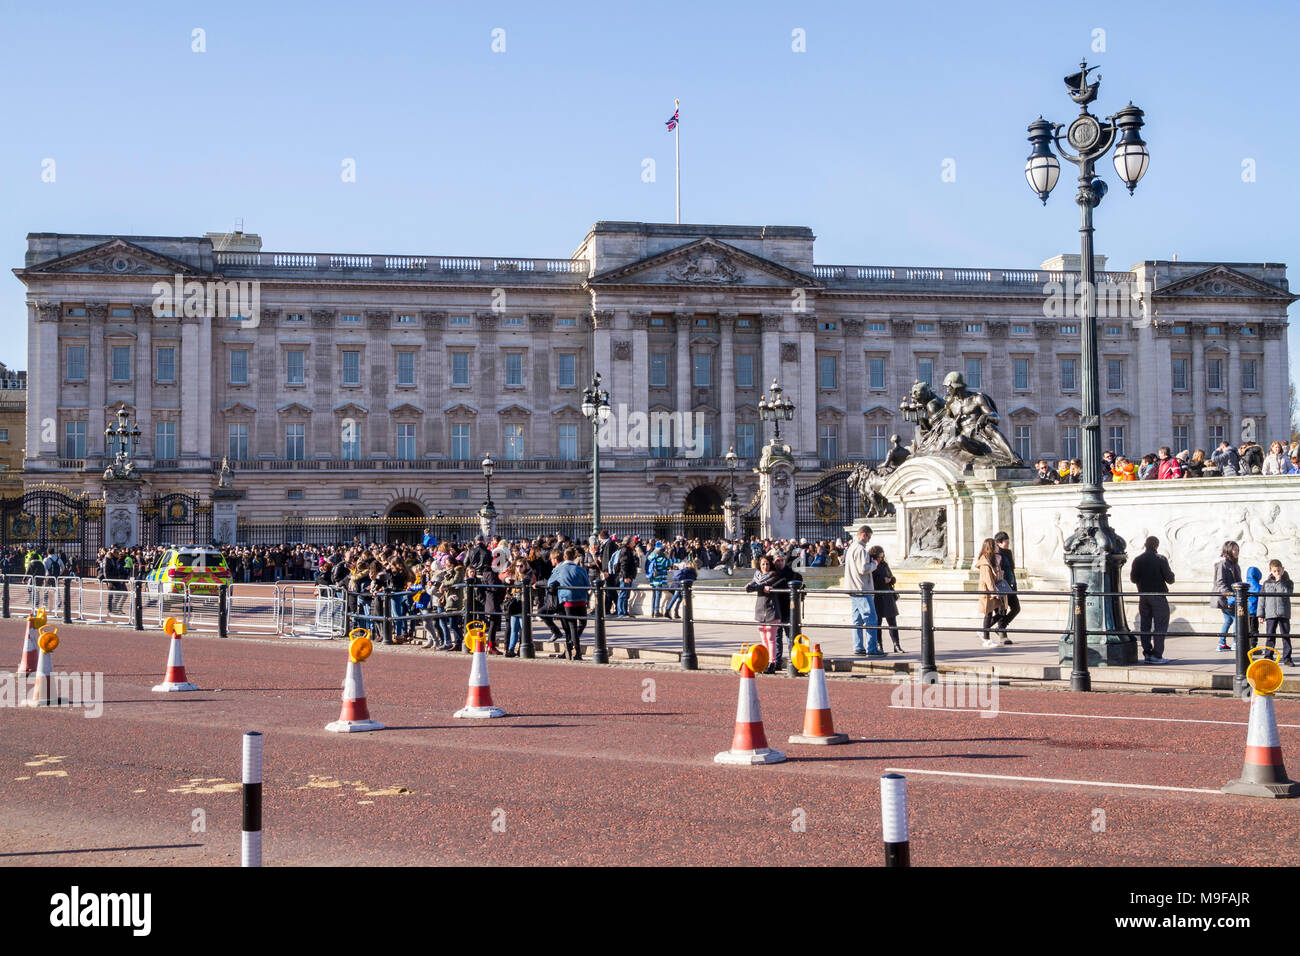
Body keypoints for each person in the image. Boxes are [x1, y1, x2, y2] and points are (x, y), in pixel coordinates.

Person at [1129, 536, 1175, 663]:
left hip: (1143, 596)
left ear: (1145, 545)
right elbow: (1170, 579)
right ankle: (1157, 655)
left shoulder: (1137, 559)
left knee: (1145, 626)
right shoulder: (1160, 559)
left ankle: (1147, 654)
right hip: (1158, 596)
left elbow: (1133, 579)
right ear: (1157, 546)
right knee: (1160, 626)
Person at [546, 547, 590, 660]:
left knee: (572, 626)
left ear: (564, 557)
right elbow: (588, 584)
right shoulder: (580, 569)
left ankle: (576, 651)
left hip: (567, 600)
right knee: (583, 623)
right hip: (581, 599)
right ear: (574, 557)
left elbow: (550, 583)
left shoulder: (559, 569)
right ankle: (572, 646)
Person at [842, 522, 879, 656]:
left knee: (857, 620)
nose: (869, 541)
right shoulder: (860, 549)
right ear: (864, 535)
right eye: (868, 537)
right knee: (871, 619)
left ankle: (858, 647)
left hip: (853, 588)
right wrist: (874, 564)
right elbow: (863, 569)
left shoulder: (852, 547)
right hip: (861, 588)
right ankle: (872, 648)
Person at [746, 554, 783, 673]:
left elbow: (762, 586)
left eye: (767, 564)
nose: (765, 566)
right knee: (764, 638)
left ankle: (772, 662)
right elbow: (754, 585)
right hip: (760, 610)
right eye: (763, 564)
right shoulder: (756, 576)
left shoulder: (774, 575)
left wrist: (755, 587)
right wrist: (751, 586)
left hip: (771, 609)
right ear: (759, 565)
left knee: (771, 638)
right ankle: (766, 660)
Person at [1259, 560, 1293, 666]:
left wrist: (1280, 581)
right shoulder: (1266, 583)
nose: (1277, 572)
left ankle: (1287, 658)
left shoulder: (1288, 582)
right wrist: (1260, 614)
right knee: (1270, 636)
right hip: (1270, 613)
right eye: (1275, 571)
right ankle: (1268, 656)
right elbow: (1262, 599)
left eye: (1279, 570)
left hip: (1283, 613)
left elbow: (1287, 593)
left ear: (1282, 569)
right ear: (1271, 571)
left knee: (1285, 636)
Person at [867, 545, 901, 653]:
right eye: (879, 557)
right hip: (878, 596)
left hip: (888, 595)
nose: (881, 559)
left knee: (892, 621)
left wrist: (890, 580)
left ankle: (896, 645)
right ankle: (879, 645)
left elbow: (892, 577)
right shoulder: (872, 566)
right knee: (878, 623)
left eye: (882, 557)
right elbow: (872, 581)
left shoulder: (884, 564)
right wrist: (883, 580)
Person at [975, 538, 1008, 648]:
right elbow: (987, 580)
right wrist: (994, 592)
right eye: (995, 545)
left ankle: (984, 632)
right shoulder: (985, 562)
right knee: (988, 614)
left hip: (994, 590)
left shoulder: (993, 560)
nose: (997, 547)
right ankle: (986, 639)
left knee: (1002, 611)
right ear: (991, 547)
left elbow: (995, 576)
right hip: (988, 592)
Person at [1213, 541, 1243, 651]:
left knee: (1228, 620)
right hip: (1226, 598)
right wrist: (1230, 595)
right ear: (1228, 550)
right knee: (1236, 619)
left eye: (1238, 549)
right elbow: (1220, 582)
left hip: (1234, 597)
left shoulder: (1235, 564)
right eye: (1235, 549)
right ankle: (1235, 642)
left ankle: (1221, 643)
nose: (1237, 552)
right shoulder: (1223, 564)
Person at [993, 531, 1019, 642]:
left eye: (1008, 542)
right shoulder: (995, 554)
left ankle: (1000, 627)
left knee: (1016, 608)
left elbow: (1011, 570)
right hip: (1002, 585)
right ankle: (1002, 633)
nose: (1008, 544)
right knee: (1001, 610)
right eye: (1005, 542)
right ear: (998, 543)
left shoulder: (1008, 553)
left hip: (1011, 585)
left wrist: (1015, 584)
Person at [645, 543, 672, 617]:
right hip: (658, 578)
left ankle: (653, 611)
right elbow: (666, 564)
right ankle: (656, 611)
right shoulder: (660, 556)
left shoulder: (651, 555)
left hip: (652, 578)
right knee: (658, 595)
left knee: (654, 595)